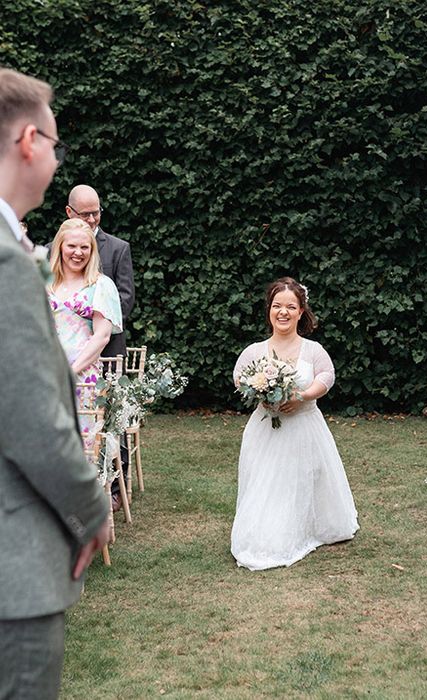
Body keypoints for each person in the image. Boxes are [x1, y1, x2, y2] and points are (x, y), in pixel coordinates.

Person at [0, 67, 109, 699]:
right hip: (13, 565)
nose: (56, 155)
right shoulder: (7, 264)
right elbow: (32, 418)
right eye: (55, 141)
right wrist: (91, 508)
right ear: (27, 142)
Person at [231, 278, 359, 570]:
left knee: (300, 480)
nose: (283, 312)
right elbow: (239, 376)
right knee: (265, 481)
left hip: (304, 426)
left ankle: (307, 526)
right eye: (277, 306)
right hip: (265, 428)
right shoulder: (255, 350)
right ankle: (264, 530)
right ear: (269, 310)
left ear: (301, 311)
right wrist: (257, 392)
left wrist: (303, 396)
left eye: (291, 306)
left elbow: (326, 377)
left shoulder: (312, 349)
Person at [48, 218, 123, 503]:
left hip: (82, 380)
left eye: (84, 247)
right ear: (60, 247)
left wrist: (69, 372)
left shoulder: (101, 285)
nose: (78, 253)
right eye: (72, 246)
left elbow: (101, 337)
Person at [66, 184, 134, 359]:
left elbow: (125, 300)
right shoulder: (53, 250)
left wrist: (93, 329)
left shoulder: (118, 249)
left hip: (108, 349)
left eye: (95, 213)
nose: (91, 219)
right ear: (69, 212)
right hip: (63, 347)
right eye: (84, 214)